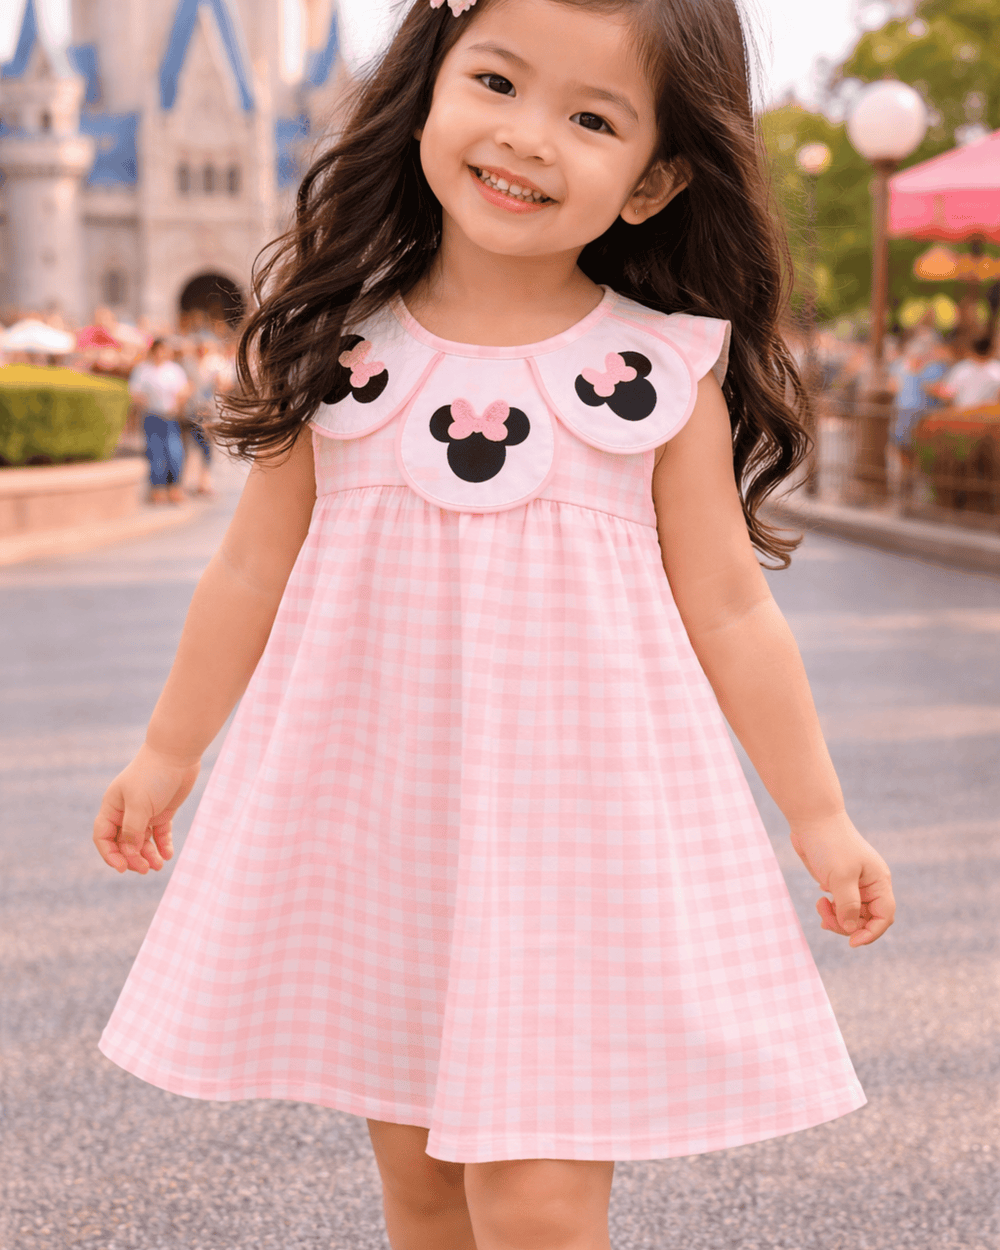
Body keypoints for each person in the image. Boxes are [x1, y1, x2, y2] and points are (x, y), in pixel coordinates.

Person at [93, 2, 895, 1247]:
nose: (528, 137)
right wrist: (168, 750)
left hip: (576, 847)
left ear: (652, 182)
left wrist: (820, 812)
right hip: (385, 832)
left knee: (532, 1199)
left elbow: (731, 607)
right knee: (419, 1184)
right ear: (430, 85)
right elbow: (251, 570)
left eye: (590, 118)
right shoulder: (341, 350)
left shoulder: (656, 370)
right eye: (498, 81)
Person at [128, 338, 192, 504]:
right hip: (152, 416)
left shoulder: (174, 370)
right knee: (155, 453)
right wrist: (146, 402)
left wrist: (178, 403)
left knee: (174, 452)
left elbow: (184, 390)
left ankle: (175, 487)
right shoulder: (143, 370)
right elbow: (135, 392)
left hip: (170, 417)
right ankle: (157, 488)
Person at [887, 336, 949, 505]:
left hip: (923, 415)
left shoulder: (934, 368)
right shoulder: (901, 366)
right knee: (904, 450)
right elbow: (893, 386)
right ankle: (906, 484)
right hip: (907, 413)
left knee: (916, 452)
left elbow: (939, 390)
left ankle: (911, 485)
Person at [934, 335, 1000, 410]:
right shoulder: (997, 369)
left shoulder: (962, 368)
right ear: (992, 350)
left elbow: (949, 393)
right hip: (988, 415)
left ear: (971, 350)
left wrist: (934, 389)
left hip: (964, 414)